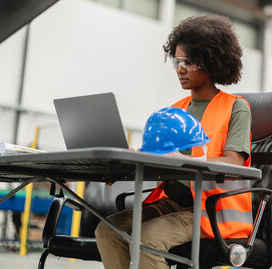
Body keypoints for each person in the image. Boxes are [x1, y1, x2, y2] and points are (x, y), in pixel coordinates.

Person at [95, 14, 252, 269]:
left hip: (209, 212)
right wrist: (139, 155)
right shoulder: (174, 111)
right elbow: (161, 158)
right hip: (170, 203)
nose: (180, 69)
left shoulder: (236, 108)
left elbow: (234, 162)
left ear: (212, 62)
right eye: (178, 61)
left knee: (147, 239)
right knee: (107, 230)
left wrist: (184, 160)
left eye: (189, 62)